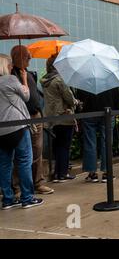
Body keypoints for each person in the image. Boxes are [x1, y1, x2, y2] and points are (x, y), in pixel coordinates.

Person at [0, 54, 43, 209]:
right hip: (17, 126)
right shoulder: (10, 79)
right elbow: (26, 96)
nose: (12, 66)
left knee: (4, 164)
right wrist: (24, 79)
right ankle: (27, 198)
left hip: (1, 130)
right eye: (10, 64)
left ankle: (7, 199)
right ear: (5, 65)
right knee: (24, 160)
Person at [10, 45, 53, 195]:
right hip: (23, 118)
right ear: (19, 57)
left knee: (37, 151)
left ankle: (38, 182)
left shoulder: (25, 72)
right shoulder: (12, 75)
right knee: (21, 153)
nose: (30, 58)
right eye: (27, 56)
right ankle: (17, 186)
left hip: (35, 116)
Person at [41, 55, 78, 182]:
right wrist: (76, 102)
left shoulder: (46, 80)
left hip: (52, 118)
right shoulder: (59, 80)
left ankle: (57, 173)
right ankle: (63, 173)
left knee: (57, 146)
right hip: (64, 116)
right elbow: (69, 98)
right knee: (64, 146)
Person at [77, 87, 119, 183]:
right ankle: (107, 172)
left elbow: (80, 97)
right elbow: (117, 97)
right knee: (107, 142)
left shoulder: (85, 79)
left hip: (89, 112)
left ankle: (92, 173)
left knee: (90, 142)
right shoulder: (110, 77)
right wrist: (117, 110)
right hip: (108, 112)